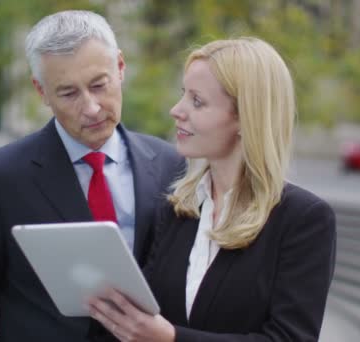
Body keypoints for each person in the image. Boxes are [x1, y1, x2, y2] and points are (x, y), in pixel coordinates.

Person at [0, 10, 184, 342]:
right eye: (68, 93)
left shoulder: (171, 164)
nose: (91, 107)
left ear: (120, 68)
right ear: (41, 91)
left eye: (99, 85)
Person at [89, 37, 337, 341]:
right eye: (183, 95)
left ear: (247, 116)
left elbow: (289, 338)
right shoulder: (177, 209)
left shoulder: (303, 219)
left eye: (197, 101)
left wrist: (171, 339)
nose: (176, 110)